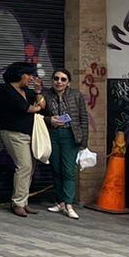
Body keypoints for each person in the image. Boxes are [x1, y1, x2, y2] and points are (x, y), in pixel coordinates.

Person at [0, 62, 45, 217]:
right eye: (28, 75)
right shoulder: (5, 89)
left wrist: (37, 92)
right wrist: (37, 108)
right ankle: (17, 203)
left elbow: (43, 104)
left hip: (29, 134)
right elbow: (26, 108)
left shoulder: (27, 91)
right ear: (20, 74)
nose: (31, 78)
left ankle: (23, 201)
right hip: (13, 133)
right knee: (24, 166)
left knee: (30, 168)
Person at [44, 68, 89, 220]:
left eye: (63, 79)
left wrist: (83, 143)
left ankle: (69, 204)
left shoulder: (76, 95)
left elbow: (84, 119)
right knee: (56, 169)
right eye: (56, 78)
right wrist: (50, 120)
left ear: (68, 82)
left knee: (68, 170)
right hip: (53, 135)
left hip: (71, 136)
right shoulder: (46, 95)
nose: (59, 82)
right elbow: (38, 116)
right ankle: (60, 202)